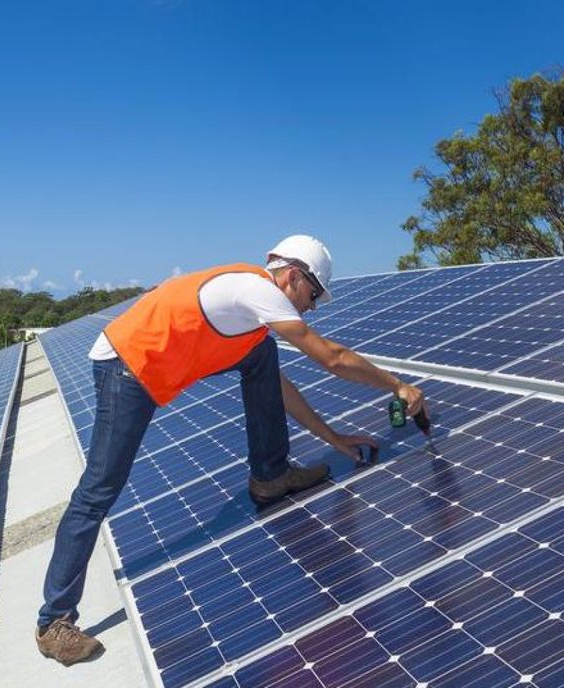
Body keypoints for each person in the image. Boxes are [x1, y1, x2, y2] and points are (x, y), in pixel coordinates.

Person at [36, 235, 428, 666]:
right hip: (127, 366)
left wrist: (334, 438)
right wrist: (398, 385)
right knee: (100, 487)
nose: (312, 306)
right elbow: (331, 358)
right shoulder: (257, 290)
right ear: (293, 276)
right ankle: (54, 621)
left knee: (262, 358)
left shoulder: (253, 321)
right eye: (313, 294)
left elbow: (280, 390)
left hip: (157, 364)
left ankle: (270, 476)